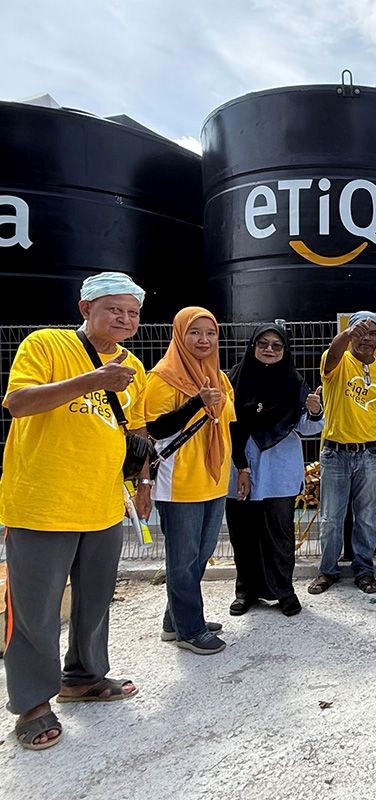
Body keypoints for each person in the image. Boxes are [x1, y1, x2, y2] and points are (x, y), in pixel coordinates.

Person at [1, 272, 150, 750]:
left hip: (103, 502)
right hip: (43, 502)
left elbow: (132, 430)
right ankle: (32, 703)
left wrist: (142, 480)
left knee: (94, 601)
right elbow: (18, 403)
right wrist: (94, 379)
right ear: (86, 309)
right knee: (36, 611)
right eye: (114, 309)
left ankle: (83, 678)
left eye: (132, 312)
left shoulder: (134, 366)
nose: (125, 319)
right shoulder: (46, 344)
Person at [145, 306, 236, 655]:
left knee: (201, 555)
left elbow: (228, 424)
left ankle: (176, 620)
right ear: (180, 335)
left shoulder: (220, 377)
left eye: (210, 333)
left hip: (213, 479)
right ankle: (190, 631)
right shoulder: (164, 377)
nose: (203, 340)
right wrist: (196, 403)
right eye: (194, 332)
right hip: (179, 482)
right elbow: (155, 428)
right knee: (182, 559)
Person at [225, 322, 324, 618]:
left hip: (279, 474)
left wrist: (315, 410)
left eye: (276, 345)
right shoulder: (234, 380)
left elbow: (307, 428)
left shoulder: (294, 382)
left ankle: (284, 591)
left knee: (280, 537)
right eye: (263, 343)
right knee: (243, 536)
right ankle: (246, 592)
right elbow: (225, 424)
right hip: (240, 469)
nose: (269, 349)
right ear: (252, 346)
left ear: (285, 350)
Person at [308, 311, 376, 596]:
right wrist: (349, 333)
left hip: (372, 454)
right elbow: (334, 351)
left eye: (372, 333)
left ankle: (364, 570)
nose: (366, 339)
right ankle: (328, 570)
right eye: (360, 333)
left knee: (365, 518)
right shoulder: (336, 362)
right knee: (331, 518)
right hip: (336, 454)